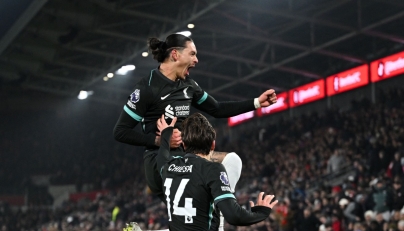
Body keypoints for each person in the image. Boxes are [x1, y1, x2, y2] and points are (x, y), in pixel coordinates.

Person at [113, 33, 277, 202]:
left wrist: (256, 102)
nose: (196, 60)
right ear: (175, 54)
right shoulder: (147, 88)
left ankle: (218, 210)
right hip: (161, 163)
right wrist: (159, 140)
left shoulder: (189, 85)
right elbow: (120, 131)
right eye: (192, 54)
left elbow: (217, 109)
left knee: (231, 160)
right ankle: (214, 211)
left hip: (187, 158)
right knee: (198, 202)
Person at [155, 113, 278, 231]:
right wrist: (261, 213)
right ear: (213, 145)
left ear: (184, 145)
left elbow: (163, 152)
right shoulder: (212, 169)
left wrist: (166, 133)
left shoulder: (167, 166)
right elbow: (234, 216)